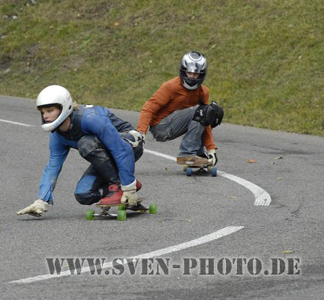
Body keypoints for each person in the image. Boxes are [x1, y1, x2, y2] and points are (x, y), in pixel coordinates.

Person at [17, 85, 145, 217]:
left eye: (50, 110)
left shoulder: (90, 119)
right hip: (108, 155)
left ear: (64, 107)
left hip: (130, 143)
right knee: (83, 194)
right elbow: (53, 167)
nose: (46, 116)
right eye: (43, 112)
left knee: (86, 143)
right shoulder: (57, 136)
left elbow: (121, 150)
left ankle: (119, 186)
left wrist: (128, 186)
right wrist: (41, 200)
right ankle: (126, 184)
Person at [136, 51, 223, 167]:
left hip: (178, 124)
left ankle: (198, 153)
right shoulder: (170, 86)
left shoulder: (203, 92)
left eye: (195, 74)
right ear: (183, 71)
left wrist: (211, 149)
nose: (191, 76)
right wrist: (140, 133)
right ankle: (187, 155)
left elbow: (205, 121)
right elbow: (148, 108)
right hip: (161, 127)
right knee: (203, 111)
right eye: (189, 73)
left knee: (213, 113)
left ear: (201, 75)